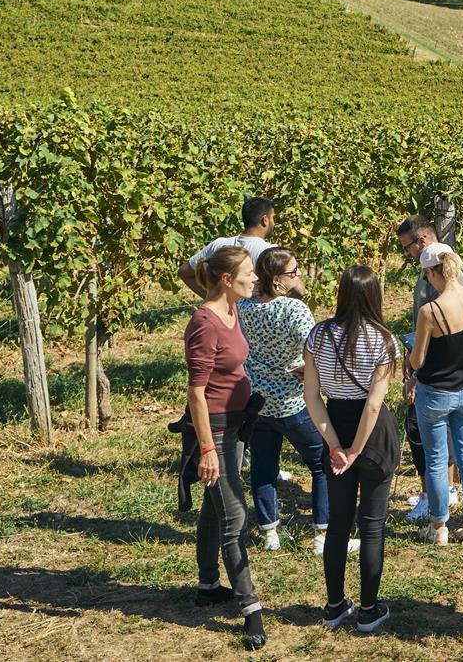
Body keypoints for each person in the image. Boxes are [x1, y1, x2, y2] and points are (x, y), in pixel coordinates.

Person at [304, 265, 402, 635]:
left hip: (336, 424)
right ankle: (368, 608)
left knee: (338, 524)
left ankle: (333, 605)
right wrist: (357, 450)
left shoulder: (318, 335)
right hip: (373, 437)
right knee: (373, 526)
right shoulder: (384, 340)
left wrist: (335, 446)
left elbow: (312, 396)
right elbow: (374, 406)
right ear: (375, 295)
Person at [240, 248, 355, 557]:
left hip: (258, 402)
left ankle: (270, 533)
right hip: (295, 402)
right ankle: (322, 533)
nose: (300, 276)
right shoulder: (294, 310)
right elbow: (315, 351)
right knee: (322, 464)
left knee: (263, 468)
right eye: (294, 273)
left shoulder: (242, 308)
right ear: (277, 281)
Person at [184, 245, 267, 651]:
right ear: (226, 279)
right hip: (215, 431)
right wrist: (206, 450)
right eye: (249, 273)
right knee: (235, 516)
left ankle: (207, 585)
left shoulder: (231, 312)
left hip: (234, 427)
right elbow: (196, 393)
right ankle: (251, 608)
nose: (255, 278)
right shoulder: (204, 324)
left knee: (213, 509)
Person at [405, 243, 463, 546]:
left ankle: (439, 525)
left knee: (437, 459)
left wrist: (412, 348)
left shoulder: (430, 311)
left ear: (430, 272)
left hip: (436, 392)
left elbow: (417, 361)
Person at [394, 212, 458, 525]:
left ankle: (436, 496)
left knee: (426, 432)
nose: (406, 253)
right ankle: (441, 490)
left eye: (407, 247)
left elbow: (442, 325)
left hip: (433, 365)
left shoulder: (442, 272)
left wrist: (416, 366)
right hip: (426, 357)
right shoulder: (429, 268)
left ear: (422, 241)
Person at [180, 197, 279, 294]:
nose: (274, 222)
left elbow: (184, 272)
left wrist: (213, 299)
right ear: (265, 220)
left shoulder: (219, 244)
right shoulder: (270, 252)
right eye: (273, 218)